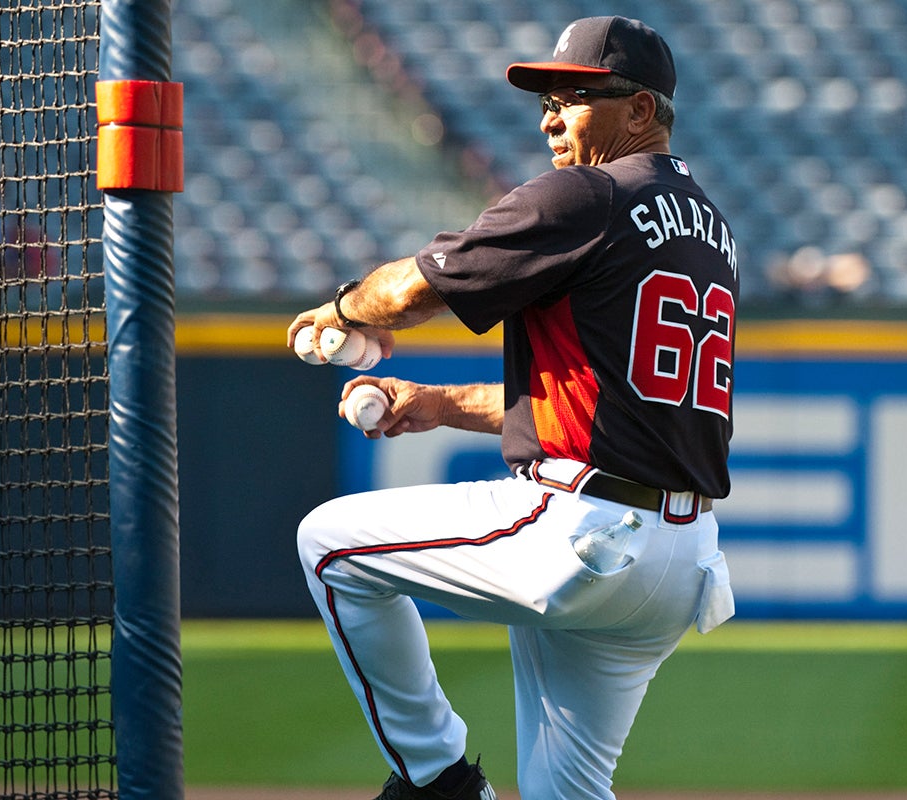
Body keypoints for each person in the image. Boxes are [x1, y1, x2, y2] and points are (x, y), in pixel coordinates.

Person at [287, 16, 739, 800]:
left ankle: (435, 778)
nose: (551, 115)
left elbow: (414, 288)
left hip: (583, 532)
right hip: (682, 556)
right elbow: (608, 403)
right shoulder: (712, 229)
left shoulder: (588, 192)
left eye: (577, 96)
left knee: (330, 546)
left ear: (642, 113)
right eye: (548, 98)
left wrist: (343, 311)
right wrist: (437, 404)